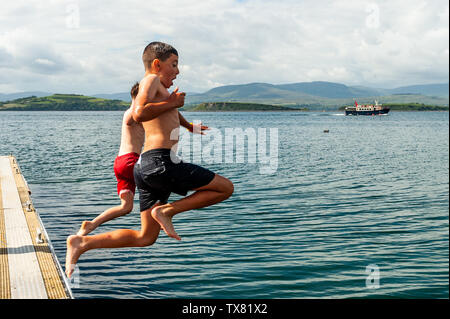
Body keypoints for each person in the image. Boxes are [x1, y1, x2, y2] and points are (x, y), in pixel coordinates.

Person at [65, 42, 233, 278]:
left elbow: (170, 111)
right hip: (160, 161)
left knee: (145, 238)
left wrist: (188, 126)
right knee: (225, 187)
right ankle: (167, 211)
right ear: (157, 64)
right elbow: (139, 112)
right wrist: (172, 102)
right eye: (173, 64)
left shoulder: (161, 93)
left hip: (145, 168)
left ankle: (82, 244)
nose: (177, 71)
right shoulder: (151, 80)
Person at [76, 83, 143, 236]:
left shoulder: (134, 112)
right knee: (159, 179)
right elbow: (134, 117)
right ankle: (160, 215)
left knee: (126, 207)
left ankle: (91, 224)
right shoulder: (132, 112)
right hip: (130, 161)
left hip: (121, 162)